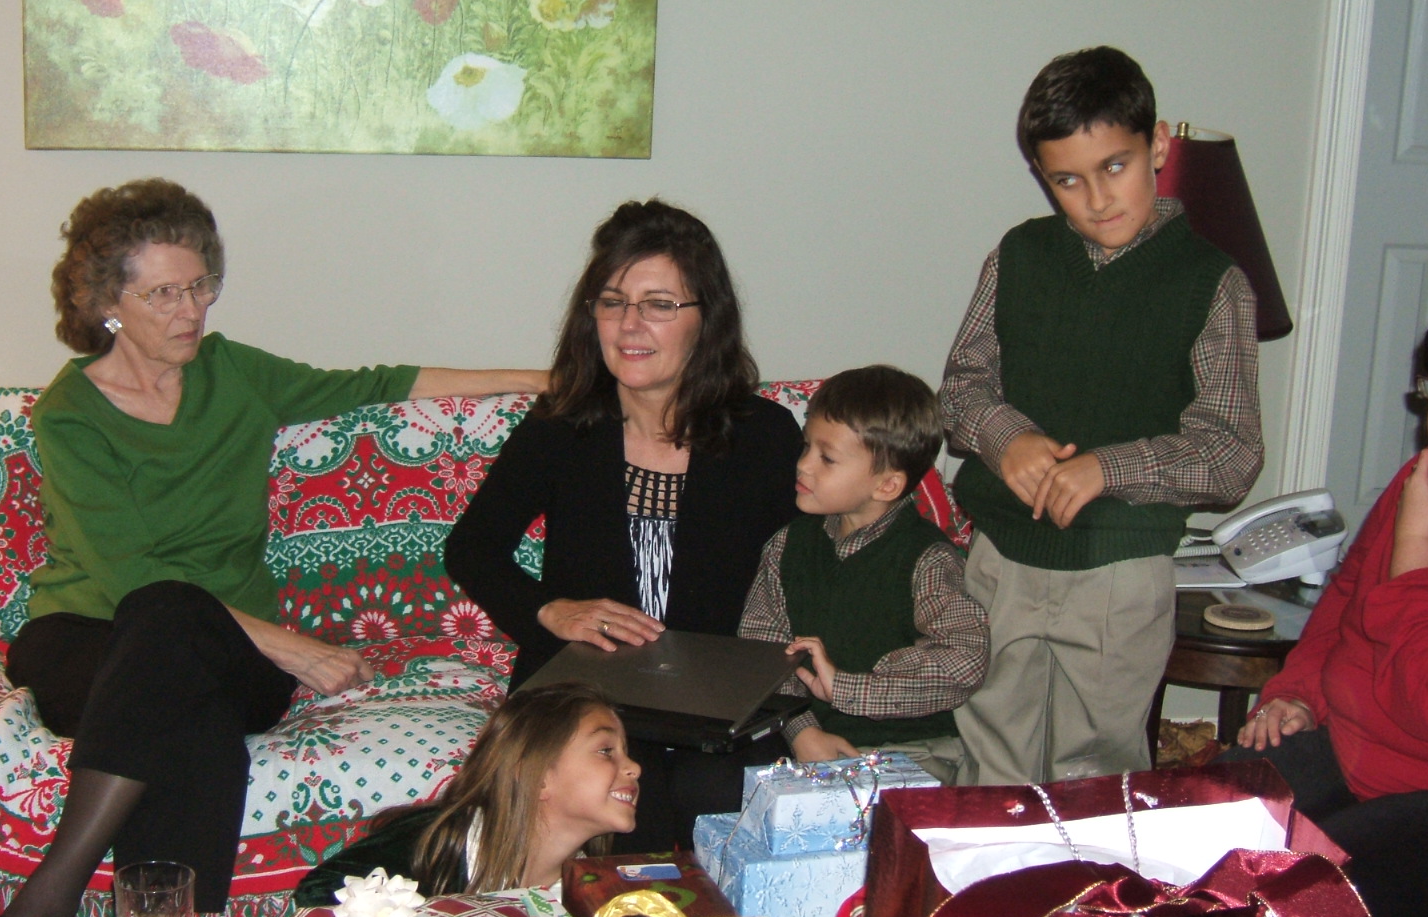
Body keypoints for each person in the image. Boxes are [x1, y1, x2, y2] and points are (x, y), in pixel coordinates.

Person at [0, 178, 546, 917]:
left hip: (225, 658)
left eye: (200, 285)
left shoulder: (233, 374)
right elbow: (131, 579)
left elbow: (381, 381)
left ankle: (41, 912)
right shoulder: (70, 413)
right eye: (163, 294)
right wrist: (294, 648)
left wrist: (555, 377)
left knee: (181, 663)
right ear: (107, 304)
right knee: (170, 641)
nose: (191, 311)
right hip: (86, 640)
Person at [939, 45, 1263, 786]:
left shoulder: (1212, 283)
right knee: (989, 761)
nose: (1096, 198)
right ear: (1041, 176)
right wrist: (1006, 438)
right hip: (1000, 561)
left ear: (1158, 146)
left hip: (1120, 575)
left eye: (1115, 166)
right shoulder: (1017, 256)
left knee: (1096, 776)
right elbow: (961, 389)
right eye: (1067, 180)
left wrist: (1107, 468)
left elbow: (1231, 452)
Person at [444, 199, 803, 851]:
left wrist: (802, 711)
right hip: (583, 689)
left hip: (718, 701)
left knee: (719, 792)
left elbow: (807, 576)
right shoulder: (561, 427)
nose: (631, 324)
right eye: (613, 302)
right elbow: (472, 548)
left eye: (659, 304)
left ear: (707, 318)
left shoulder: (765, 437)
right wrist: (549, 610)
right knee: (617, 803)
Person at [1221, 311, 1428, 917]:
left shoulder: (1422, 509)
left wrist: (1414, 554)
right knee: (1182, 845)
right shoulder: (1419, 481)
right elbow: (1344, 606)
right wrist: (1295, 692)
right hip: (1353, 755)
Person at [738, 365, 988, 779]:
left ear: (887, 486)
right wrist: (800, 729)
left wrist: (846, 688)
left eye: (827, 458)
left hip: (912, 752)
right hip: (805, 742)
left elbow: (964, 662)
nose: (803, 465)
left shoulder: (928, 559)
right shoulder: (787, 545)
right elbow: (760, 650)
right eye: (806, 447)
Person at [293, 682, 639, 903]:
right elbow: (318, 894)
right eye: (606, 751)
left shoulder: (599, 895)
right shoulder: (438, 840)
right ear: (536, 777)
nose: (634, 768)